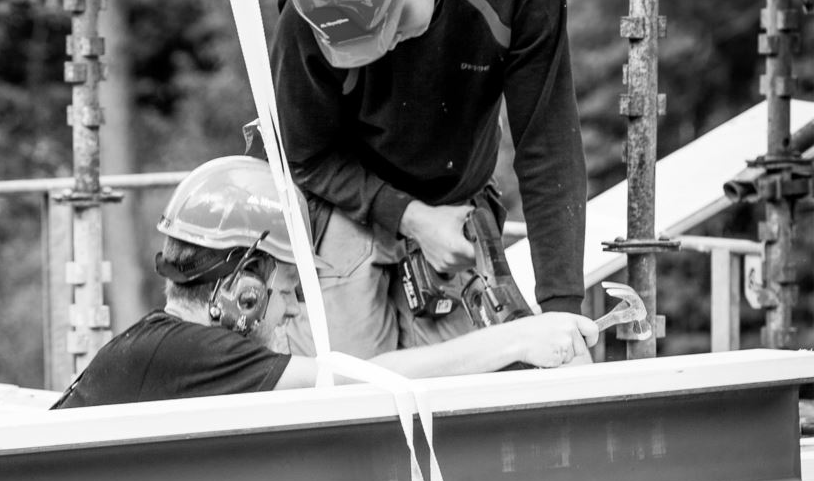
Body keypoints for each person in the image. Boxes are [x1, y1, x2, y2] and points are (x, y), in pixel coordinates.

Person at [263, 0, 587, 359]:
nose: (388, 47)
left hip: (455, 205)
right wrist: (413, 219)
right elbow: (306, 157)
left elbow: (548, 145)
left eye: (393, 23)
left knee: (479, 376)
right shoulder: (314, 13)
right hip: (345, 203)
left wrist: (562, 308)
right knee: (350, 380)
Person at [51, 156, 597, 409]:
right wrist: (516, 338)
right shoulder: (193, 353)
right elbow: (364, 380)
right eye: (290, 290)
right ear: (245, 293)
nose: (294, 311)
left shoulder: (168, 350)